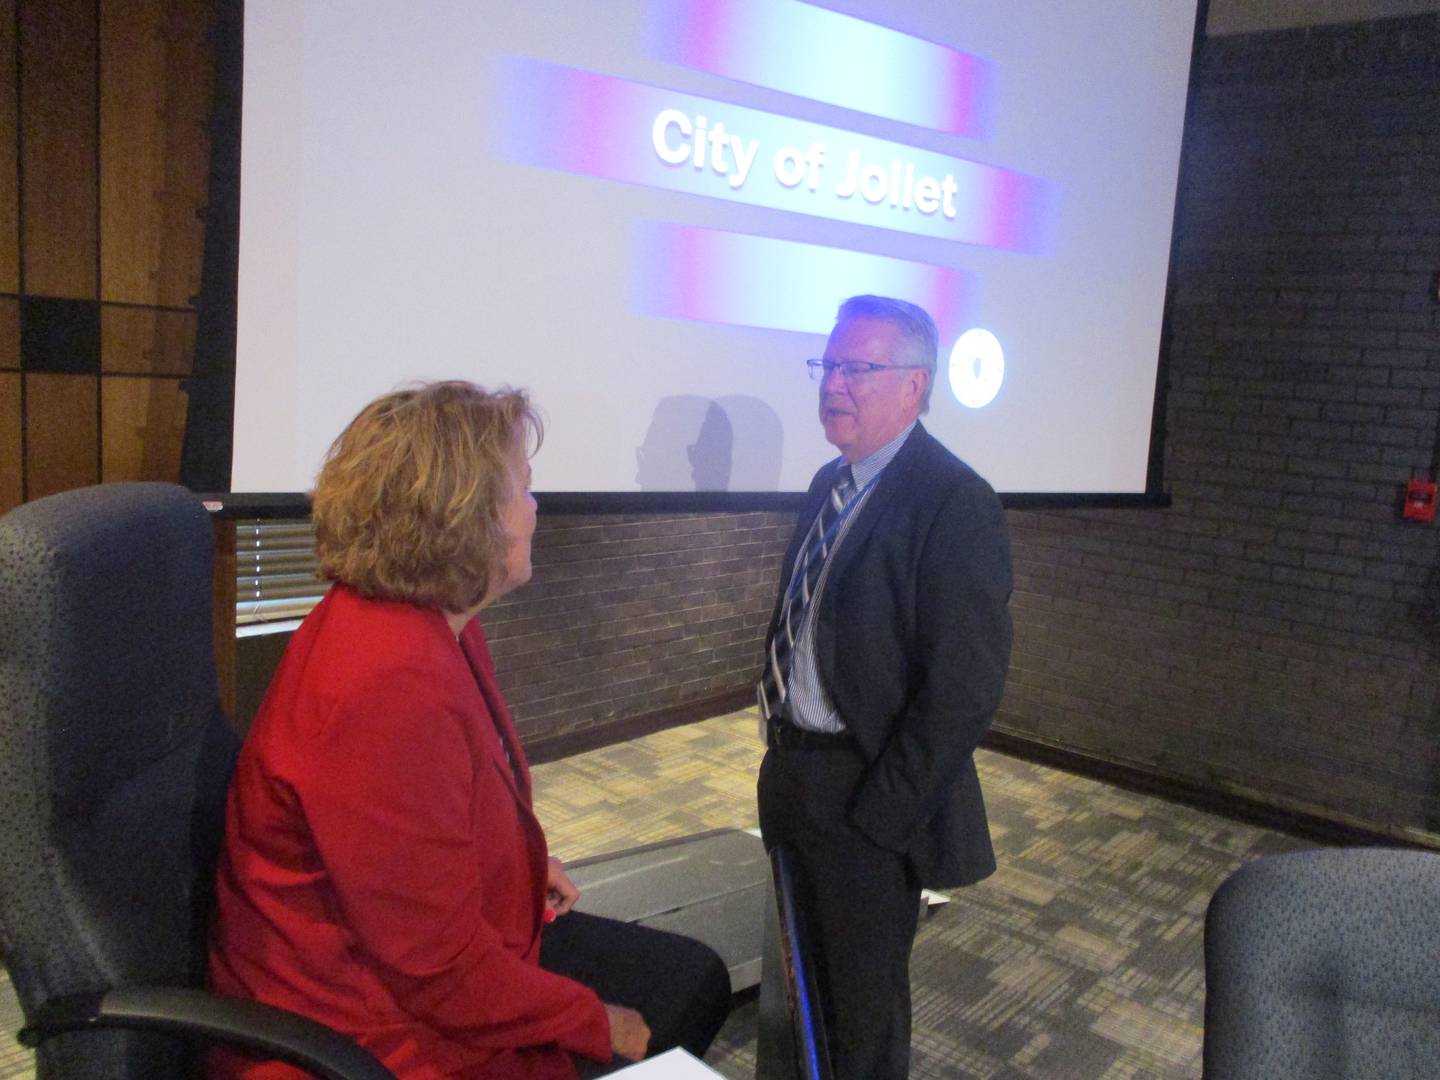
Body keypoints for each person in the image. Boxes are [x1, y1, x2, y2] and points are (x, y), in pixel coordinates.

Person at [211, 381, 731, 1080]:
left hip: (404, 973)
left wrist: (518, 864)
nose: (536, 508)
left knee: (692, 975)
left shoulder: (432, 623)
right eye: (523, 488)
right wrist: (592, 1019)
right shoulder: (386, 688)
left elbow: (426, 829)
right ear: (463, 519)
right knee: (667, 1006)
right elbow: (438, 972)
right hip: (358, 1030)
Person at [756, 296, 1013, 1079]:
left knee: (862, 1013)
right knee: (801, 991)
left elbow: (963, 690)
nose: (834, 383)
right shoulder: (827, 484)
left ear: (913, 386)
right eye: (828, 365)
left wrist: (880, 818)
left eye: (856, 368)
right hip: (794, 779)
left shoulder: (953, 502)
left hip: (865, 798)